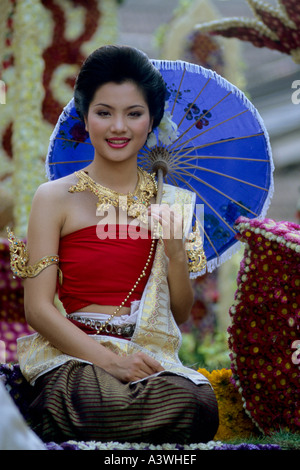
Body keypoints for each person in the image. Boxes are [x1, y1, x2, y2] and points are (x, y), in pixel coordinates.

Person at [8, 45, 219, 444]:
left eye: (134, 114)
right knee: (89, 396)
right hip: (78, 356)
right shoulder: (53, 197)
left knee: (199, 404)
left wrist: (174, 250)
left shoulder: (174, 203)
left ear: (152, 120)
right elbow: (37, 308)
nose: (118, 127)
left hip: (147, 358)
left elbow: (181, 312)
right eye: (104, 112)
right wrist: (110, 362)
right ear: (85, 118)